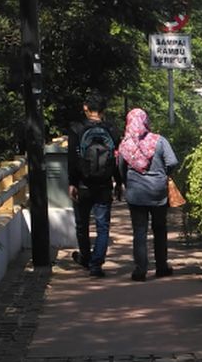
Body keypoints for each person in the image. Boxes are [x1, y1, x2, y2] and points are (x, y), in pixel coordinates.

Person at [117, 108, 178, 281]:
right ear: (146, 121)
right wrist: (164, 174)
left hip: (136, 194)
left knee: (139, 231)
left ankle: (140, 270)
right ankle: (161, 267)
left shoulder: (125, 144)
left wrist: (127, 183)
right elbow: (172, 161)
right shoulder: (159, 140)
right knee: (159, 229)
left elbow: (121, 168)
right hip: (158, 192)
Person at [67, 94, 122, 278]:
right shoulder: (112, 130)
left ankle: (85, 257)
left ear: (85, 107)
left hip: (82, 184)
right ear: (103, 110)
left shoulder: (77, 128)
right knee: (102, 226)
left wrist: (72, 183)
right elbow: (116, 159)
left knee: (82, 224)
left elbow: (72, 159)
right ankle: (96, 264)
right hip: (104, 185)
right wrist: (118, 181)